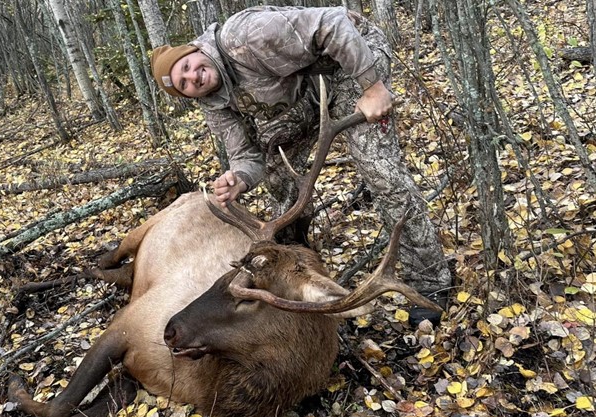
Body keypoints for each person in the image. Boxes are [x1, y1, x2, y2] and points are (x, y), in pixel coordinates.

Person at [150, 6, 451, 322]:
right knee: (280, 179)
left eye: (188, 65)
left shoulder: (245, 36)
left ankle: (429, 282)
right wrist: (238, 178)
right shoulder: (214, 104)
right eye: (183, 83)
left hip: (354, 62)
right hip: (309, 92)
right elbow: (247, 157)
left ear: (195, 50)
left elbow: (332, 23)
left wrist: (373, 87)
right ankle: (303, 279)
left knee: (381, 172)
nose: (192, 76)